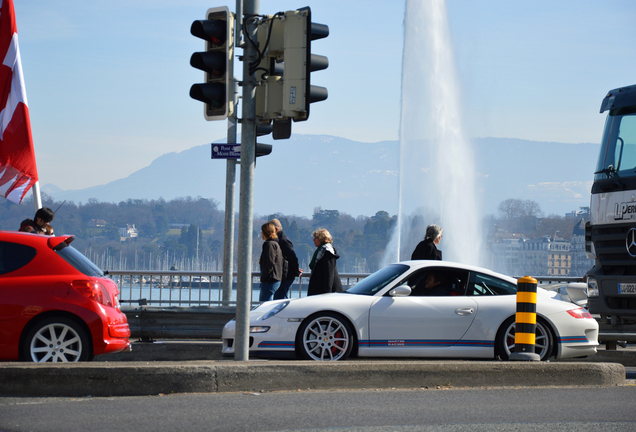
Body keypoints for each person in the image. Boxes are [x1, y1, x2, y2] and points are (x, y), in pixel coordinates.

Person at [269, 219, 303, 300]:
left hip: (285, 277)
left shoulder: (283, 241)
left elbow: (293, 258)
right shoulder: (280, 240)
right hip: (283, 275)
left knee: (279, 301)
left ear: (276, 229)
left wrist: (296, 272)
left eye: (270, 230)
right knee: (279, 300)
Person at [307, 228, 343, 296]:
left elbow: (329, 274)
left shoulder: (327, 252)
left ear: (321, 238)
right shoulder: (321, 251)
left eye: (315, 238)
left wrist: (327, 293)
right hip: (320, 290)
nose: (313, 240)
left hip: (324, 292)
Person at [258, 222, 284, 302]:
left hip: (270, 280)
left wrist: (264, 278)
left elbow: (270, 262)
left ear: (265, 232)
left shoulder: (270, 244)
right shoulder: (275, 243)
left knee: (264, 305)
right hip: (274, 279)